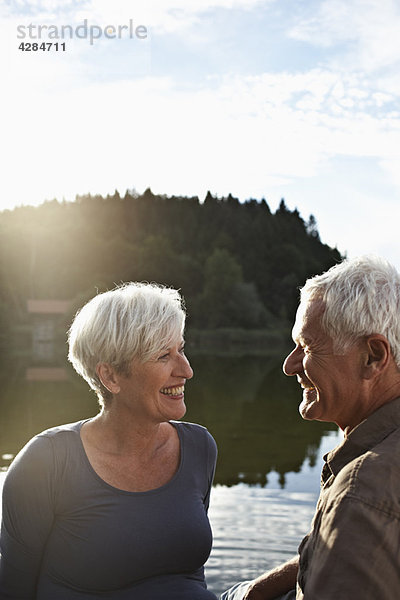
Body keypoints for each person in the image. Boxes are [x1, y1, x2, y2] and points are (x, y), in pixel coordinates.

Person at [0, 282, 218, 600]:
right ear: (111, 377)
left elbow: (189, 574)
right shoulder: (46, 463)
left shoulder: (200, 447)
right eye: (163, 356)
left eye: (181, 350)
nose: (186, 370)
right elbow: (14, 590)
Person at [221, 255, 400, 600]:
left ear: (373, 357)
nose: (289, 366)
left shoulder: (361, 491)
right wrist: (256, 592)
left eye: (307, 347)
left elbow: (361, 519)